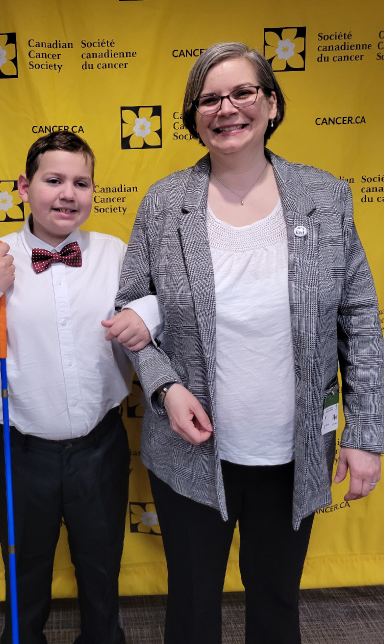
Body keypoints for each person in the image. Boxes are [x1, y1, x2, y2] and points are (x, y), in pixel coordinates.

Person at [112, 42, 384, 644]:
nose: (226, 108)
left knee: (276, 605)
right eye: (209, 98)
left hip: (295, 455)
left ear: (271, 104)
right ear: (194, 115)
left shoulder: (325, 196)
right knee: (191, 610)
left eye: (242, 93)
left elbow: (360, 318)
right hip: (191, 452)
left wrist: (366, 436)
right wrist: (165, 386)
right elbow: (127, 311)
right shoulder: (165, 203)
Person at [0, 131, 163, 644]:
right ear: (24, 186)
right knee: (25, 572)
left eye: (81, 182)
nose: (68, 193)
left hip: (100, 447)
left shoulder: (114, 253)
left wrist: (144, 314)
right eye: (53, 180)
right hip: (21, 450)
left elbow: (156, 306)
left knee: (102, 569)